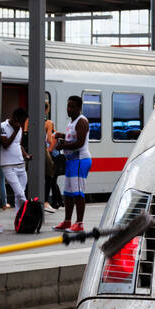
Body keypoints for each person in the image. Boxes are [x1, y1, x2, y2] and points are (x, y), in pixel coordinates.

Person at [54, 95, 91, 232]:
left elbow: (80, 143)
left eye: (72, 106)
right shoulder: (72, 123)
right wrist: (62, 136)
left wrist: (63, 145)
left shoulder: (82, 122)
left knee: (78, 193)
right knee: (68, 193)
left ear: (79, 108)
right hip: (71, 161)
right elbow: (72, 138)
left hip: (80, 160)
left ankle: (79, 223)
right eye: (68, 106)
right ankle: (67, 221)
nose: (69, 109)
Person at [0, 107, 28, 211]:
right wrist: (15, 131)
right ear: (15, 118)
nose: (21, 125)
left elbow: (18, 145)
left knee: (19, 195)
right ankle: (29, 209)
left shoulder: (19, 128)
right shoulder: (2, 126)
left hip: (21, 164)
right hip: (8, 165)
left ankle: (19, 217)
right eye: (21, 122)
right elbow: (5, 144)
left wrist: (26, 155)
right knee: (20, 193)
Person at [43, 99, 60, 213]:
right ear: (46, 110)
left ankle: (55, 201)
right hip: (47, 154)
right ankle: (47, 202)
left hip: (35, 153)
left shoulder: (28, 121)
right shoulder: (48, 123)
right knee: (50, 178)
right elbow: (49, 140)